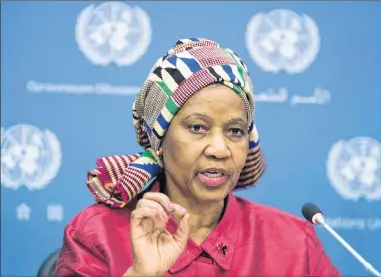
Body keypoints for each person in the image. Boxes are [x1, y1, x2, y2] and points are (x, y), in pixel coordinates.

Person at [55, 38, 341, 277]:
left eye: (235, 131)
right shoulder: (97, 233)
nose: (219, 149)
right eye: (197, 127)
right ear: (160, 139)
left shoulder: (294, 242)